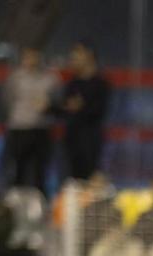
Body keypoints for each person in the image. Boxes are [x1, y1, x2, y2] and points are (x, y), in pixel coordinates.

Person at [2, 47, 58, 195]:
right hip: (20, 128)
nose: (31, 61)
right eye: (28, 57)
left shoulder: (50, 78)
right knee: (18, 170)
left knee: (40, 171)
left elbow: (57, 104)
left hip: (41, 129)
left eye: (34, 56)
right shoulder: (15, 78)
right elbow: (7, 101)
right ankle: (16, 203)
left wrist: (47, 106)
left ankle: (40, 205)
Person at [57, 43, 111, 184]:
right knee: (72, 180)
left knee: (91, 178)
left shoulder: (101, 84)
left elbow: (99, 110)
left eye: (77, 56)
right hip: (72, 139)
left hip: (90, 140)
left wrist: (81, 107)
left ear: (89, 56)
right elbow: (64, 108)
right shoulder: (72, 84)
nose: (73, 60)